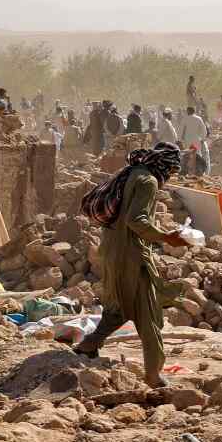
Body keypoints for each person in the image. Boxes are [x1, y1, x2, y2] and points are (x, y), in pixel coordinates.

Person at [74, 143, 191, 388]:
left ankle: (88, 345)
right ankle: (153, 374)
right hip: (131, 257)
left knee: (118, 308)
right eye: (171, 170)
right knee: (147, 313)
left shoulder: (131, 172)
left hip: (112, 252)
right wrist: (167, 237)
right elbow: (136, 221)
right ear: (164, 166)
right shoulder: (148, 181)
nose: (169, 177)